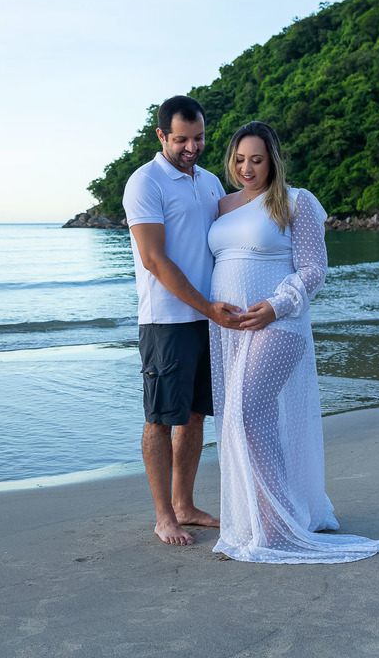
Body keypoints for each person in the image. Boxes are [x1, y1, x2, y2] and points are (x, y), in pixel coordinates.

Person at [207, 120, 379, 563]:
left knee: (248, 414)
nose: (247, 168)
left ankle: (279, 520)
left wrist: (275, 305)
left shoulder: (295, 202)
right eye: (240, 159)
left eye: (257, 159)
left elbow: (313, 270)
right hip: (228, 328)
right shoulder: (221, 205)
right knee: (242, 420)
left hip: (277, 322)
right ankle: (260, 515)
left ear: (273, 162)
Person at [123, 95, 254, 546]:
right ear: (161, 135)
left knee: (195, 417)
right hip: (167, 321)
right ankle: (164, 516)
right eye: (181, 140)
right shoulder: (145, 183)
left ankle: (185, 504)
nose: (191, 147)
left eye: (198, 138)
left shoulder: (211, 182)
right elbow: (155, 260)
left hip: (208, 316)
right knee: (161, 418)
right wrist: (207, 308)